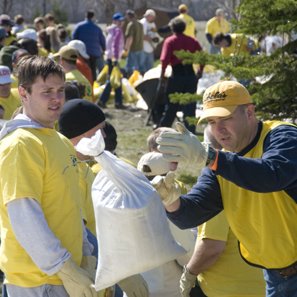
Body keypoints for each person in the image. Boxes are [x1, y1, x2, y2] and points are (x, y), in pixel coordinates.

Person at [154, 80, 297, 297]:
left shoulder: (283, 136)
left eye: (225, 119)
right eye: (211, 121)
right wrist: (170, 201)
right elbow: (190, 215)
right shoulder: (221, 165)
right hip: (276, 276)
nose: (218, 129)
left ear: (249, 112)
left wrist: (211, 157)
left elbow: (271, 175)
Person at [0, 55, 98, 297]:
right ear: (23, 93)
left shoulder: (60, 141)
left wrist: (85, 254)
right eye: (47, 92)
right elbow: (24, 216)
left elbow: (72, 206)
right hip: (37, 281)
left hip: (66, 274)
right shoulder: (20, 144)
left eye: (60, 90)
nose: (57, 99)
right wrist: (65, 268)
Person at [58, 98, 149, 297]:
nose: (105, 136)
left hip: (103, 267)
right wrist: (121, 271)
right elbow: (80, 230)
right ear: (80, 134)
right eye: (99, 131)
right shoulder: (64, 170)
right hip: (85, 274)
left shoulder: (82, 168)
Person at [179, 125, 265, 297]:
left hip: (228, 288)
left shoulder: (219, 183)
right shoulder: (255, 173)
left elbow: (212, 247)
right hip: (261, 282)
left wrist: (189, 274)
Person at [156, 18, 203, 134]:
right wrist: (200, 71)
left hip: (177, 75)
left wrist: (162, 76)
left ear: (172, 29)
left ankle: (162, 131)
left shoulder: (170, 41)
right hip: (190, 75)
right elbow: (202, 57)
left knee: (171, 106)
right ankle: (190, 133)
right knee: (190, 107)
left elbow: (164, 60)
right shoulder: (192, 40)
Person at [97, 12, 125, 109]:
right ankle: (102, 100)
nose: (121, 22)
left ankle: (118, 101)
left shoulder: (110, 30)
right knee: (113, 80)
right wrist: (116, 58)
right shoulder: (118, 30)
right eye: (119, 21)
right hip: (114, 58)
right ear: (114, 21)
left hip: (109, 57)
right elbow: (115, 45)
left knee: (116, 79)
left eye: (121, 21)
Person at [72, 10, 106, 81]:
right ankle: (92, 84)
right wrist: (103, 48)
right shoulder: (97, 28)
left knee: (82, 69)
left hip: (82, 53)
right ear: (93, 17)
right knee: (93, 70)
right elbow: (102, 40)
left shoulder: (79, 26)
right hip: (94, 53)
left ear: (85, 16)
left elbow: (74, 38)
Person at [124, 10, 144, 77]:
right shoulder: (140, 24)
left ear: (128, 16)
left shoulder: (131, 24)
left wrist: (126, 49)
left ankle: (130, 80)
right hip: (140, 48)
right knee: (139, 67)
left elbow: (130, 38)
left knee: (130, 67)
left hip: (133, 49)